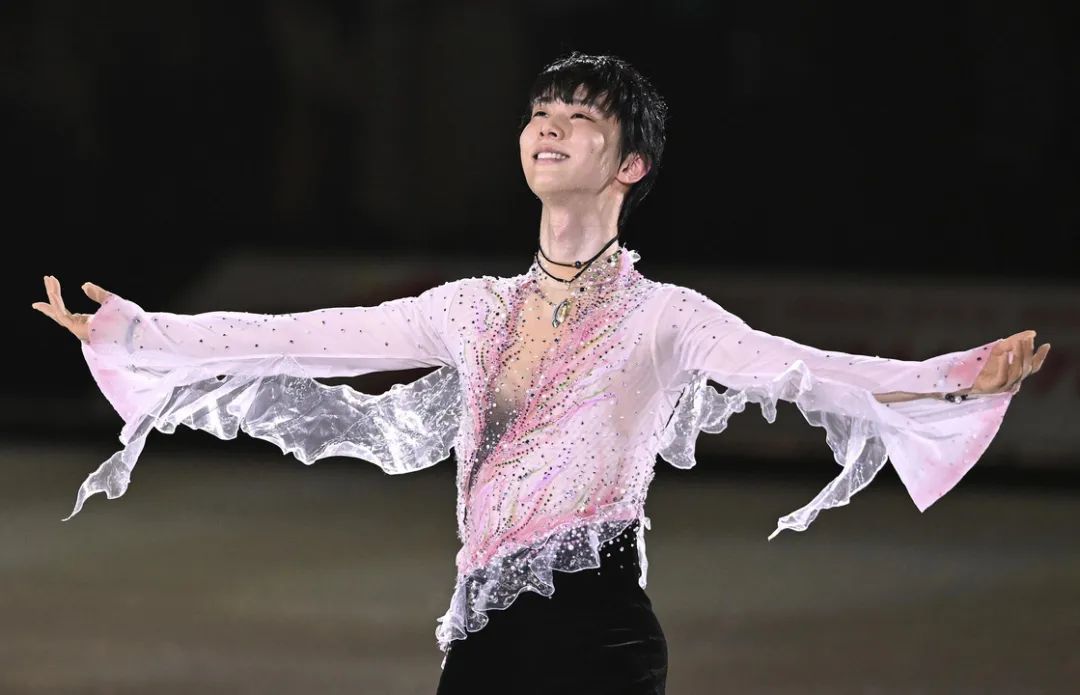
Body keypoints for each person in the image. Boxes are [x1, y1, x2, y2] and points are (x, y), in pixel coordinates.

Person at [33, 52, 1050, 694]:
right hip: (481, 636)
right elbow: (300, 336)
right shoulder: (470, 307)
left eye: (580, 115)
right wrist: (136, 333)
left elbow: (806, 373)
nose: (549, 125)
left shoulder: (665, 316)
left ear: (631, 165)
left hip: (600, 639)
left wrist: (954, 380)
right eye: (541, 110)